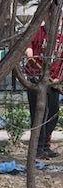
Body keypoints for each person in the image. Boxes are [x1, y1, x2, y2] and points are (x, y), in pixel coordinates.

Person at [24, 22, 63, 159]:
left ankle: (45, 146)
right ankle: (37, 148)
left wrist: (58, 78)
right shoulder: (37, 31)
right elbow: (29, 54)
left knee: (53, 113)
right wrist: (42, 72)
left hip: (53, 81)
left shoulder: (60, 35)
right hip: (36, 78)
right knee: (39, 112)